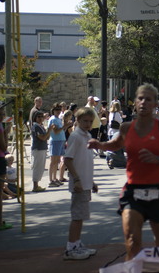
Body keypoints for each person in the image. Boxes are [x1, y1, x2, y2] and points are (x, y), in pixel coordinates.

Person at [88, 83, 159, 261]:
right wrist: (99, 144)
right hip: (133, 192)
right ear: (135, 103)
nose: (143, 103)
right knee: (132, 242)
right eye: (140, 98)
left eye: (148, 99)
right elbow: (116, 145)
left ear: (156, 104)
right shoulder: (126, 128)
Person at [62, 107, 98, 260]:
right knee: (77, 216)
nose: (88, 124)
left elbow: (85, 161)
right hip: (79, 184)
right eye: (85, 121)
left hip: (85, 183)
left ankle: (77, 243)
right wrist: (76, 179)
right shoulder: (76, 136)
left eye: (90, 121)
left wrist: (92, 181)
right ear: (77, 120)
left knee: (81, 215)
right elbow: (68, 159)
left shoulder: (87, 135)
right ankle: (71, 248)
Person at [48, 103, 73, 188]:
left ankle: (55, 178)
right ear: (53, 111)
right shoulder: (53, 119)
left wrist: (66, 126)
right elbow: (56, 131)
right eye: (56, 110)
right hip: (55, 141)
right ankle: (51, 179)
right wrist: (65, 126)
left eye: (59, 109)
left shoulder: (58, 119)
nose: (58, 111)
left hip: (60, 141)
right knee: (53, 161)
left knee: (57, 161)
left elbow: (62, 130)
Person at [0, 101, 12, 230]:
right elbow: (4, 147)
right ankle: (0, 221)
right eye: (0, 114)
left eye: (3, 114)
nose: (2, 117)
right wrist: (6, 133)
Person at [31, 110, 53, 192]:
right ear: (35, 118)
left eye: (42, 117)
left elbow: (46, 137)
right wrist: (49, 130)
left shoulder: (41, 126)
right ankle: (35, 185)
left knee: (41, 167)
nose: (40, 118)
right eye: (38, 117)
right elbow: (42, 137)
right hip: (38, 149)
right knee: (37, 167)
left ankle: (37, 185)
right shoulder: (36, 126)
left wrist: (48, 132)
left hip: (42, 148)